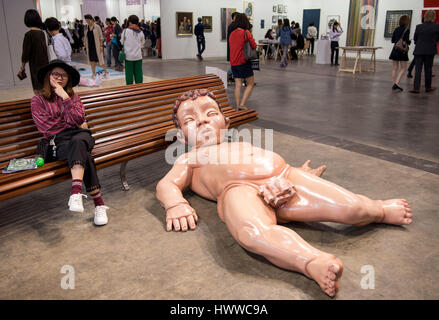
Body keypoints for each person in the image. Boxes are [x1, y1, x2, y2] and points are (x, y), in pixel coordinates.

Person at [156, 89, 412, 297]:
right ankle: (311, 262)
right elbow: (167, 184)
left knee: (351, 207)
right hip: (239, 191)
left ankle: (378, 210)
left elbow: (265, 161)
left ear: (227, 122)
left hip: (285, 176)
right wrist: (175, 204)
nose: (201, 120)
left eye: (211, 113)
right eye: (190, 120)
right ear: (181, 136)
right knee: (251, 233)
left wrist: (298, 174)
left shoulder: (240, 143)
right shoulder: (189, 158)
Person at [30, 60, 109, 226]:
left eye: (63, 75)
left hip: (79, 136)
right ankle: (98, 204)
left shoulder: (73, 97)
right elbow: (46, 127)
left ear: (68, 79)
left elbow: (79, 119)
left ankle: (76, 194)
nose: (59, 78)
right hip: (58, 144)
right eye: (55, 74)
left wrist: (64, 96)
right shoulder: (37, 101)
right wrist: (72, 123)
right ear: (48, 77)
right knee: (81, 149)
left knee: (78, 140)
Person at [229, 13, 257, 110]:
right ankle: (243, 104)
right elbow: (254, 46)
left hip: (233, 63)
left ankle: (237, 105)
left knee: (238, 84)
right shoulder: (246, 32)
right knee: (250, 83)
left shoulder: (232, 33)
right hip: (243, 62)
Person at [20, 9, 49, 93]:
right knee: (45, 86)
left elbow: (25, 54)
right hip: (45, 64)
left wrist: (22, 68)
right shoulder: (43, 33)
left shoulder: (29, 35)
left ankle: (40, 105)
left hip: (35, 65)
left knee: (38, 89)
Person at [410, 10, 439, 94]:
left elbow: (415, 38)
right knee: (428, 69)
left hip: (419, 50)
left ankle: (416, 88)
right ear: (434, 17)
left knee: (418, 70)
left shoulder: (419, 26)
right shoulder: (437, 26)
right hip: (430, 50)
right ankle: (428, 87)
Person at [389, 15, 411, 91]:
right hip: (402, 52)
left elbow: (392, 40)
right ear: (407, 22)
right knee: (403, 68)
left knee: (395, 68)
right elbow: (407, 41)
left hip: (395, 50)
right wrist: (409, 41)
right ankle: (397, 83)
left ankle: (394, 83)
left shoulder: (396, 29)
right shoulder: (406, 30)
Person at [120, 15, 145, 85]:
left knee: (129, 75)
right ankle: (139, 89)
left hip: (128, 57)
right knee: (139, 74)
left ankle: (130, 90)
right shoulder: (140, 32)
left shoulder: (125, 31)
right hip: (138, 56)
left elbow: (122, 42)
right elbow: (143, 42)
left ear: (130, 22)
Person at [83, 14, 108, 79]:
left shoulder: (97, 27)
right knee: (92, 61)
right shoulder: (86, 28)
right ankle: (93, 73)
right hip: (90, 47)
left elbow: (101, 37)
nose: (87, 22)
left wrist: (101, 46)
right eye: (86, 20)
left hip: (97, 46)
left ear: (91, 19)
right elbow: (85, 38)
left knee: (101, 60)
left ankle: (106, 72)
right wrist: (85, 46)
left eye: (88, 20)